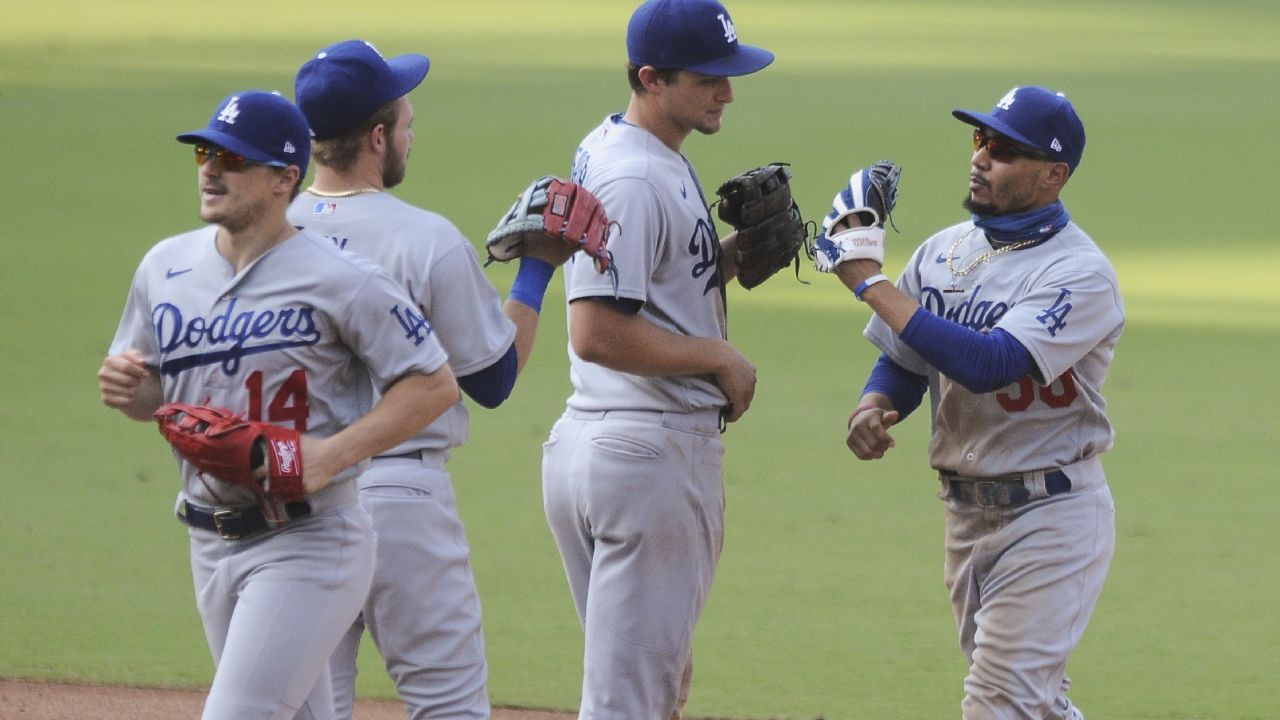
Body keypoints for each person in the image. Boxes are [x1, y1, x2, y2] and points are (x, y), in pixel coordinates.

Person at [97, 90, 460, 720]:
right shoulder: (164, 267)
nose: (211, 170)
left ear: (284, 178)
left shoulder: (344, 277)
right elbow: (162, 396)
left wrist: (331, 456)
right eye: (206, 154)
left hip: (310, 540)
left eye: (234, 159)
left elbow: (434, 384)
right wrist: (137, 394)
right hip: (208, 536)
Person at [287, 40, 577, 720]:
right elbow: (494, 378)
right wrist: (537, 266)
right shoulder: (425, 239)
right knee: (448, 707)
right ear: (376, 137)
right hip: (400, 500)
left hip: (298, 500)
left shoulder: (269, 235)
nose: (412, 132)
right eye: (405, 122)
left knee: (307, 705)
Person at [828, 86, 1121, 720]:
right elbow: (905, 360)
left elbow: (989, 364)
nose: (981, 157)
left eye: (1005, 150)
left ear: (1053, 175)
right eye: (980, 139)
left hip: (1052, 516)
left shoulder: (1080, 273)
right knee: (1032, 704)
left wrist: (870, 282)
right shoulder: (942, 250)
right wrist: (873, 404)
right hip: (965, 515)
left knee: (997, 702)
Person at [540, 1, 773, 717]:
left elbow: (649, 283)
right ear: (651, 78)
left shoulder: (621, 146)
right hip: (648, 454)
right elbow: (595, 330)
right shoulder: (635, 179)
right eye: (708, 78)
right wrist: (719, 356)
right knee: (630, 702)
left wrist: (734, 256)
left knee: (648, 688)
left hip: (606, 445)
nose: (727, 92)